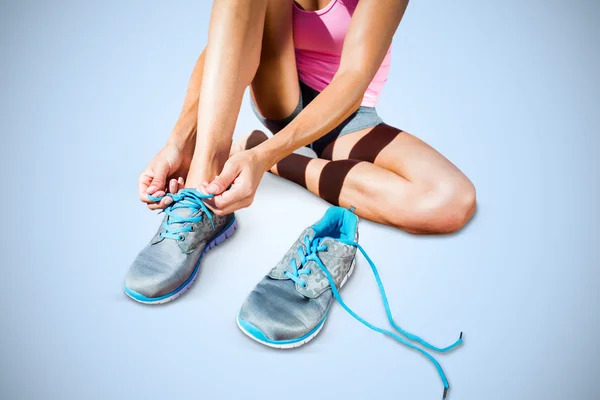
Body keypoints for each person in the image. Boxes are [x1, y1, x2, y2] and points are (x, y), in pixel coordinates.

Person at [138, 0, 476, 235]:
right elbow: (225, 47)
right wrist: (178, 141)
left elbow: (354, 80)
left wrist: (265, 156)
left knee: (449, 201)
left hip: (347, 115)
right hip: (279, 94)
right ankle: (201, 189)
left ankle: (275, 160)